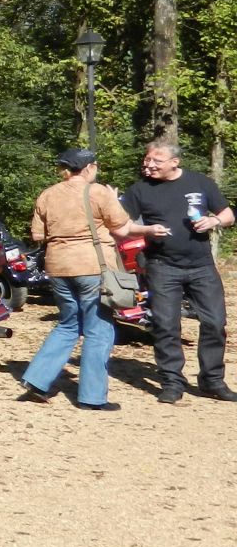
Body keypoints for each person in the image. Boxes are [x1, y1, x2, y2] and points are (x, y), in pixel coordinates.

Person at [18, 148, 153, 410]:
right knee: (98, 329)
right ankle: (92, 398)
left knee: (68, 324)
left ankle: (36, 380)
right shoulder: (98, 192)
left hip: (58, 267)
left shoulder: (47, 194)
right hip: (92, 266)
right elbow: (122, 229)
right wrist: (147, 227)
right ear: (89, 167)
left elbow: (37, 236)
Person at [119, 140, 236, 404]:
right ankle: (172, 383)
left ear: (175, 162)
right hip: (162, 266)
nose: (149, 165)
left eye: (156, 161)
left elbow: (228, 214)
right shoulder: (139, 190)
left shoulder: (200, 182)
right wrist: (147, 230)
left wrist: (214, 221)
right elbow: (123, 227)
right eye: (147, 160)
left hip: (202, 266)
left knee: (215, 323)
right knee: (166, 325)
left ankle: (212, 381)